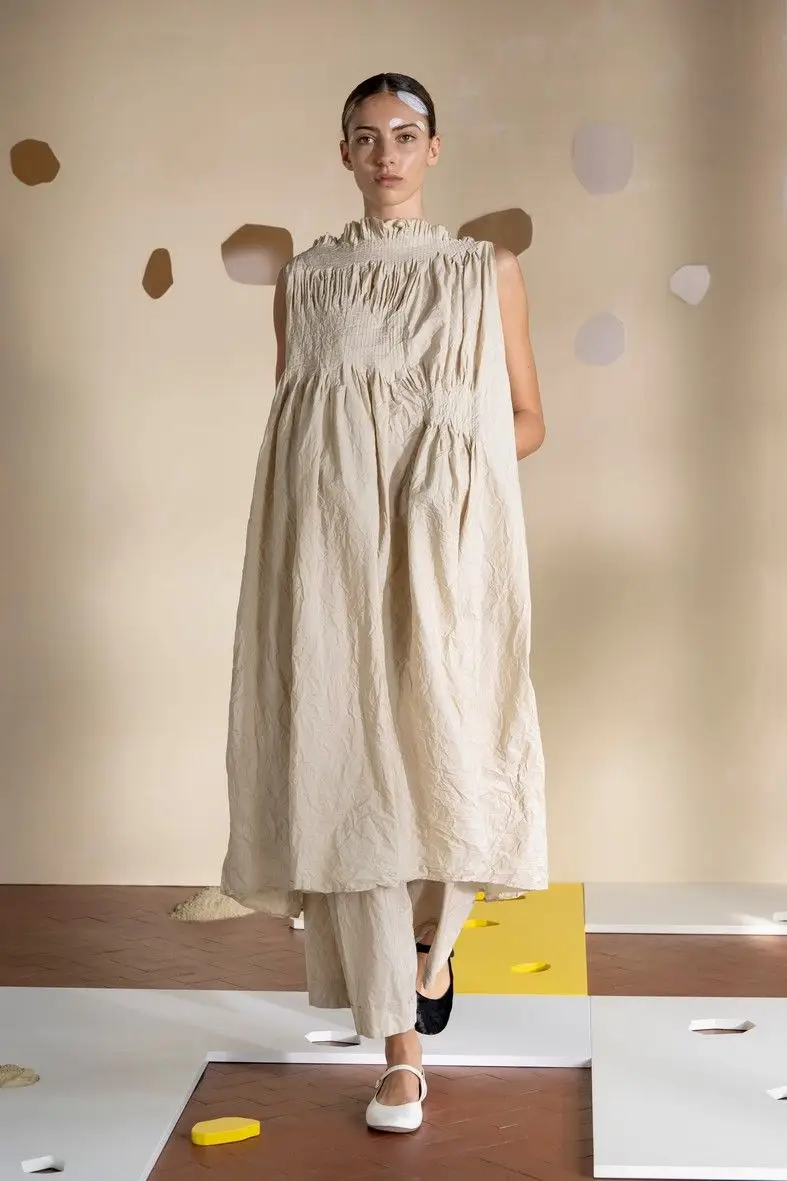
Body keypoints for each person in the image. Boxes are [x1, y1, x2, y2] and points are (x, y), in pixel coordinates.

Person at [221, 72, 548, 1134]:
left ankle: (431, 950)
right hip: (333, 562)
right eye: (365, 138)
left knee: (448, 758)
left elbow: (528, 418)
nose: (386, 155)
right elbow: (299, 430)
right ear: (344, 154)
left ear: (433, 148)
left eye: (404, 135)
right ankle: (401, 1053)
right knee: (354, 772)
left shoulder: (484, 271)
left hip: (447, 554)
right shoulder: (305, 281)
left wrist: (446, 470)